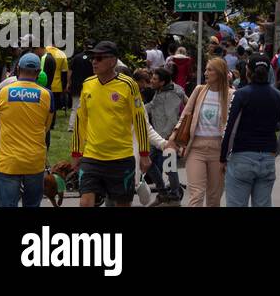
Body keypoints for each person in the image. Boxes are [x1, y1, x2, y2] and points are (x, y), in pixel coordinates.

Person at [69, 41, 151, 207]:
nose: (94, 61)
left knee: (122, 204)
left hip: (121, 158)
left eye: (99, 58)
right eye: (93, 57)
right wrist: (76, 152)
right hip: (92, 156)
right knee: (85, 202)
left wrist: (144, 153)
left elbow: (140, 120)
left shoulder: (128, 85)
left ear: (112, 61)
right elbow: (80, 120)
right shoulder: (88, 84)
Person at [221, 56, 280, 207]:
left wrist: (223, 156)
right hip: (267, 158)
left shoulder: (241, 94)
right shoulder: (279, 96)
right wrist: (274, 151)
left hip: (242, 156)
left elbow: (231, 129)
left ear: (248, 72)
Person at [0, 53, 52, 207]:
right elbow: (46, 127)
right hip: (35, 161)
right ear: (38, 72)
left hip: (9, 161)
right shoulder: (47, 95)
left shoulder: (3, 92)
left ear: (18, 69)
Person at [167, 57, 231, 207]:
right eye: (206, 69)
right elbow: (185, 115)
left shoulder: (231, 95)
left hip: (218, 150)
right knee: (196, 193)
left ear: (220, 73)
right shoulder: (199, 90)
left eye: (210, 70)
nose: (206, 73)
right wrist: (173, 137)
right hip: (196, 147)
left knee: (214, 196)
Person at [144, 67, 186, 204]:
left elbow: (172, 120)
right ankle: (163, 191)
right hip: (159, 137)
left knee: (168, 166)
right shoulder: (160, 91)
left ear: (162, 82)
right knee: (148, 163)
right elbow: (152, 105)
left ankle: (174, 194)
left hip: (167, 137)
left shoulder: (171, 95)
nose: (151, 81)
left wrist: (162, 139)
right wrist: (136, 110)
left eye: (155, 79)